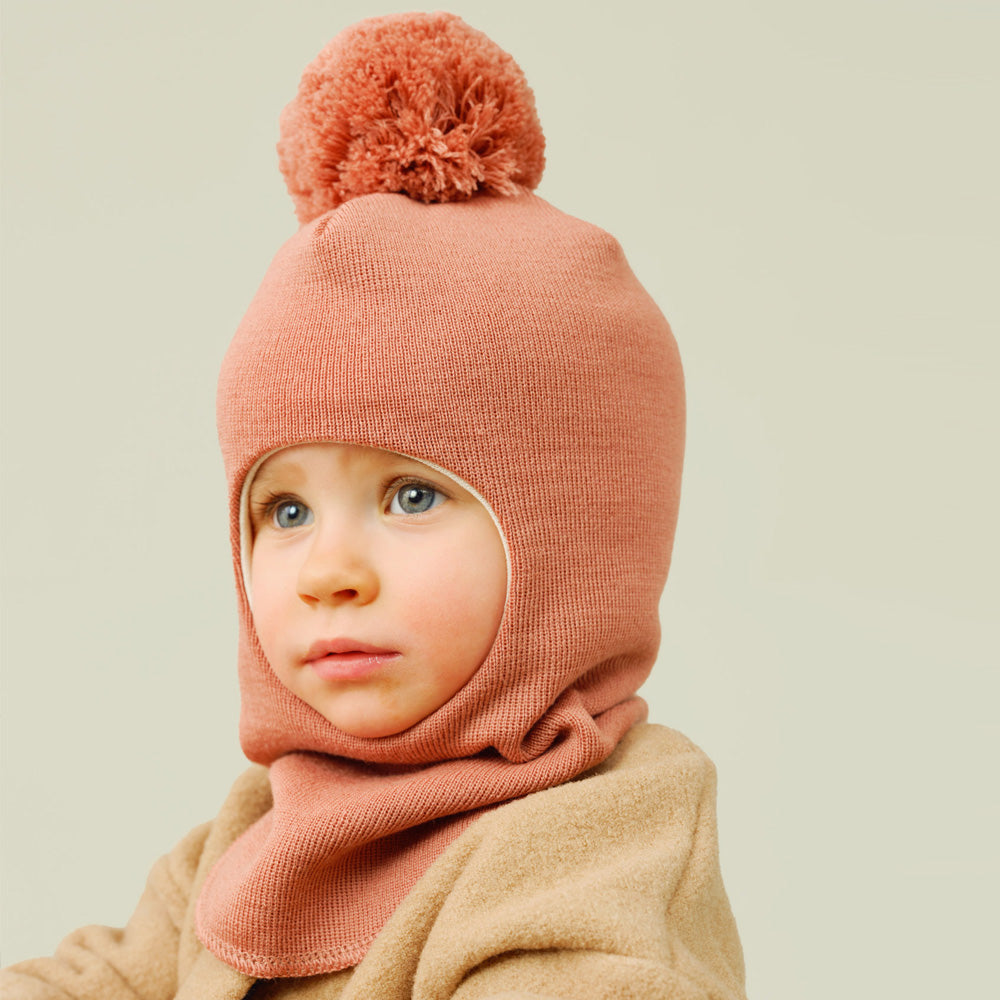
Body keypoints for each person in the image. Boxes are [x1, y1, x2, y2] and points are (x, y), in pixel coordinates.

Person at [1, 11, 747, 999]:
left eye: (409, 493)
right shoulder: (261, 833)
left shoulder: (604, 833)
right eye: (286, 512)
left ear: (572, 542)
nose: (326, 573)